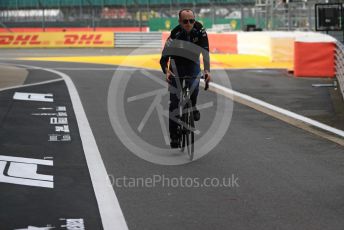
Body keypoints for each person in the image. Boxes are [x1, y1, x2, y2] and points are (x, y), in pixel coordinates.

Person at [160, 8, 211, 148]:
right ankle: (174, 136)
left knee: (194, 83)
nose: (189, 24)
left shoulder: (200, 31)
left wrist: (207, 71)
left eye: (191, 21)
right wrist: (166, 71)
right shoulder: (174, 35)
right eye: (185, 21)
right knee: (174, 103)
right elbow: (163, 59)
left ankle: (193, 105)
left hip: (192, 63)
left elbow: (205, 53)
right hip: (176, 65)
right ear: (180, 22)